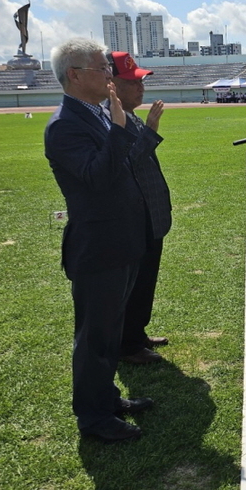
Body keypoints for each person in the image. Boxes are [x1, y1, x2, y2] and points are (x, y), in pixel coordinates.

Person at [44, 38, 153, 442]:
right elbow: (97, 177)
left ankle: (106, 399)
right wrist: (121, 130)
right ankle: (93, 417)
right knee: (94, 339)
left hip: (121, 241)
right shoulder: (64, 126)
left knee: (110, 331)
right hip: (98, 247)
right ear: (74, 75)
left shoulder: (98, 114)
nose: (109, 75)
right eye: (101, 69)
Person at [107, 51, 173, 365]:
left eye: (141, 82)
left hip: (149, 217)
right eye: (132, 83)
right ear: (112, 84)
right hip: (135, 219)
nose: (140, 89)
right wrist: (150, 130)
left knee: (145, 280)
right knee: (135, 284)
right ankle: (129, 344)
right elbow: (126, 165)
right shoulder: (113, 118)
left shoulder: (128, 114)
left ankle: (137, 334)